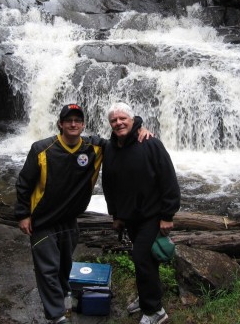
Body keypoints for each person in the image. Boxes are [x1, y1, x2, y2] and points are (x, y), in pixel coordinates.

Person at [14, 103, 150, 324]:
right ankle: (56, 316)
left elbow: (121, 137)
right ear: (60, 124)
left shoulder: (94, 147)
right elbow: (24, 184)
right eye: (69, 120)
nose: (73, 124)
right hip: (43, 221)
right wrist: (22, 214)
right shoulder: (41, 149)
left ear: (84, 124)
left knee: (65, 265)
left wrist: (140, 126)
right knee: (47, 269)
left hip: (70, 219)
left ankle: (65, 300)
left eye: (77, 120)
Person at [102, 102, 181, 324]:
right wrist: (115, 215)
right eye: (114, 120)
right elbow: (108, 184)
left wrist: (168, 215)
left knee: (141, 257)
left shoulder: (150, 143)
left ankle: (155, 311)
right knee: (146, 260)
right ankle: (147, 297)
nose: (118, 123)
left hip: (153, 215)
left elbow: (168, 179)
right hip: (130, 216)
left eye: (122, 119)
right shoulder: (110, 148)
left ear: (132, 119)